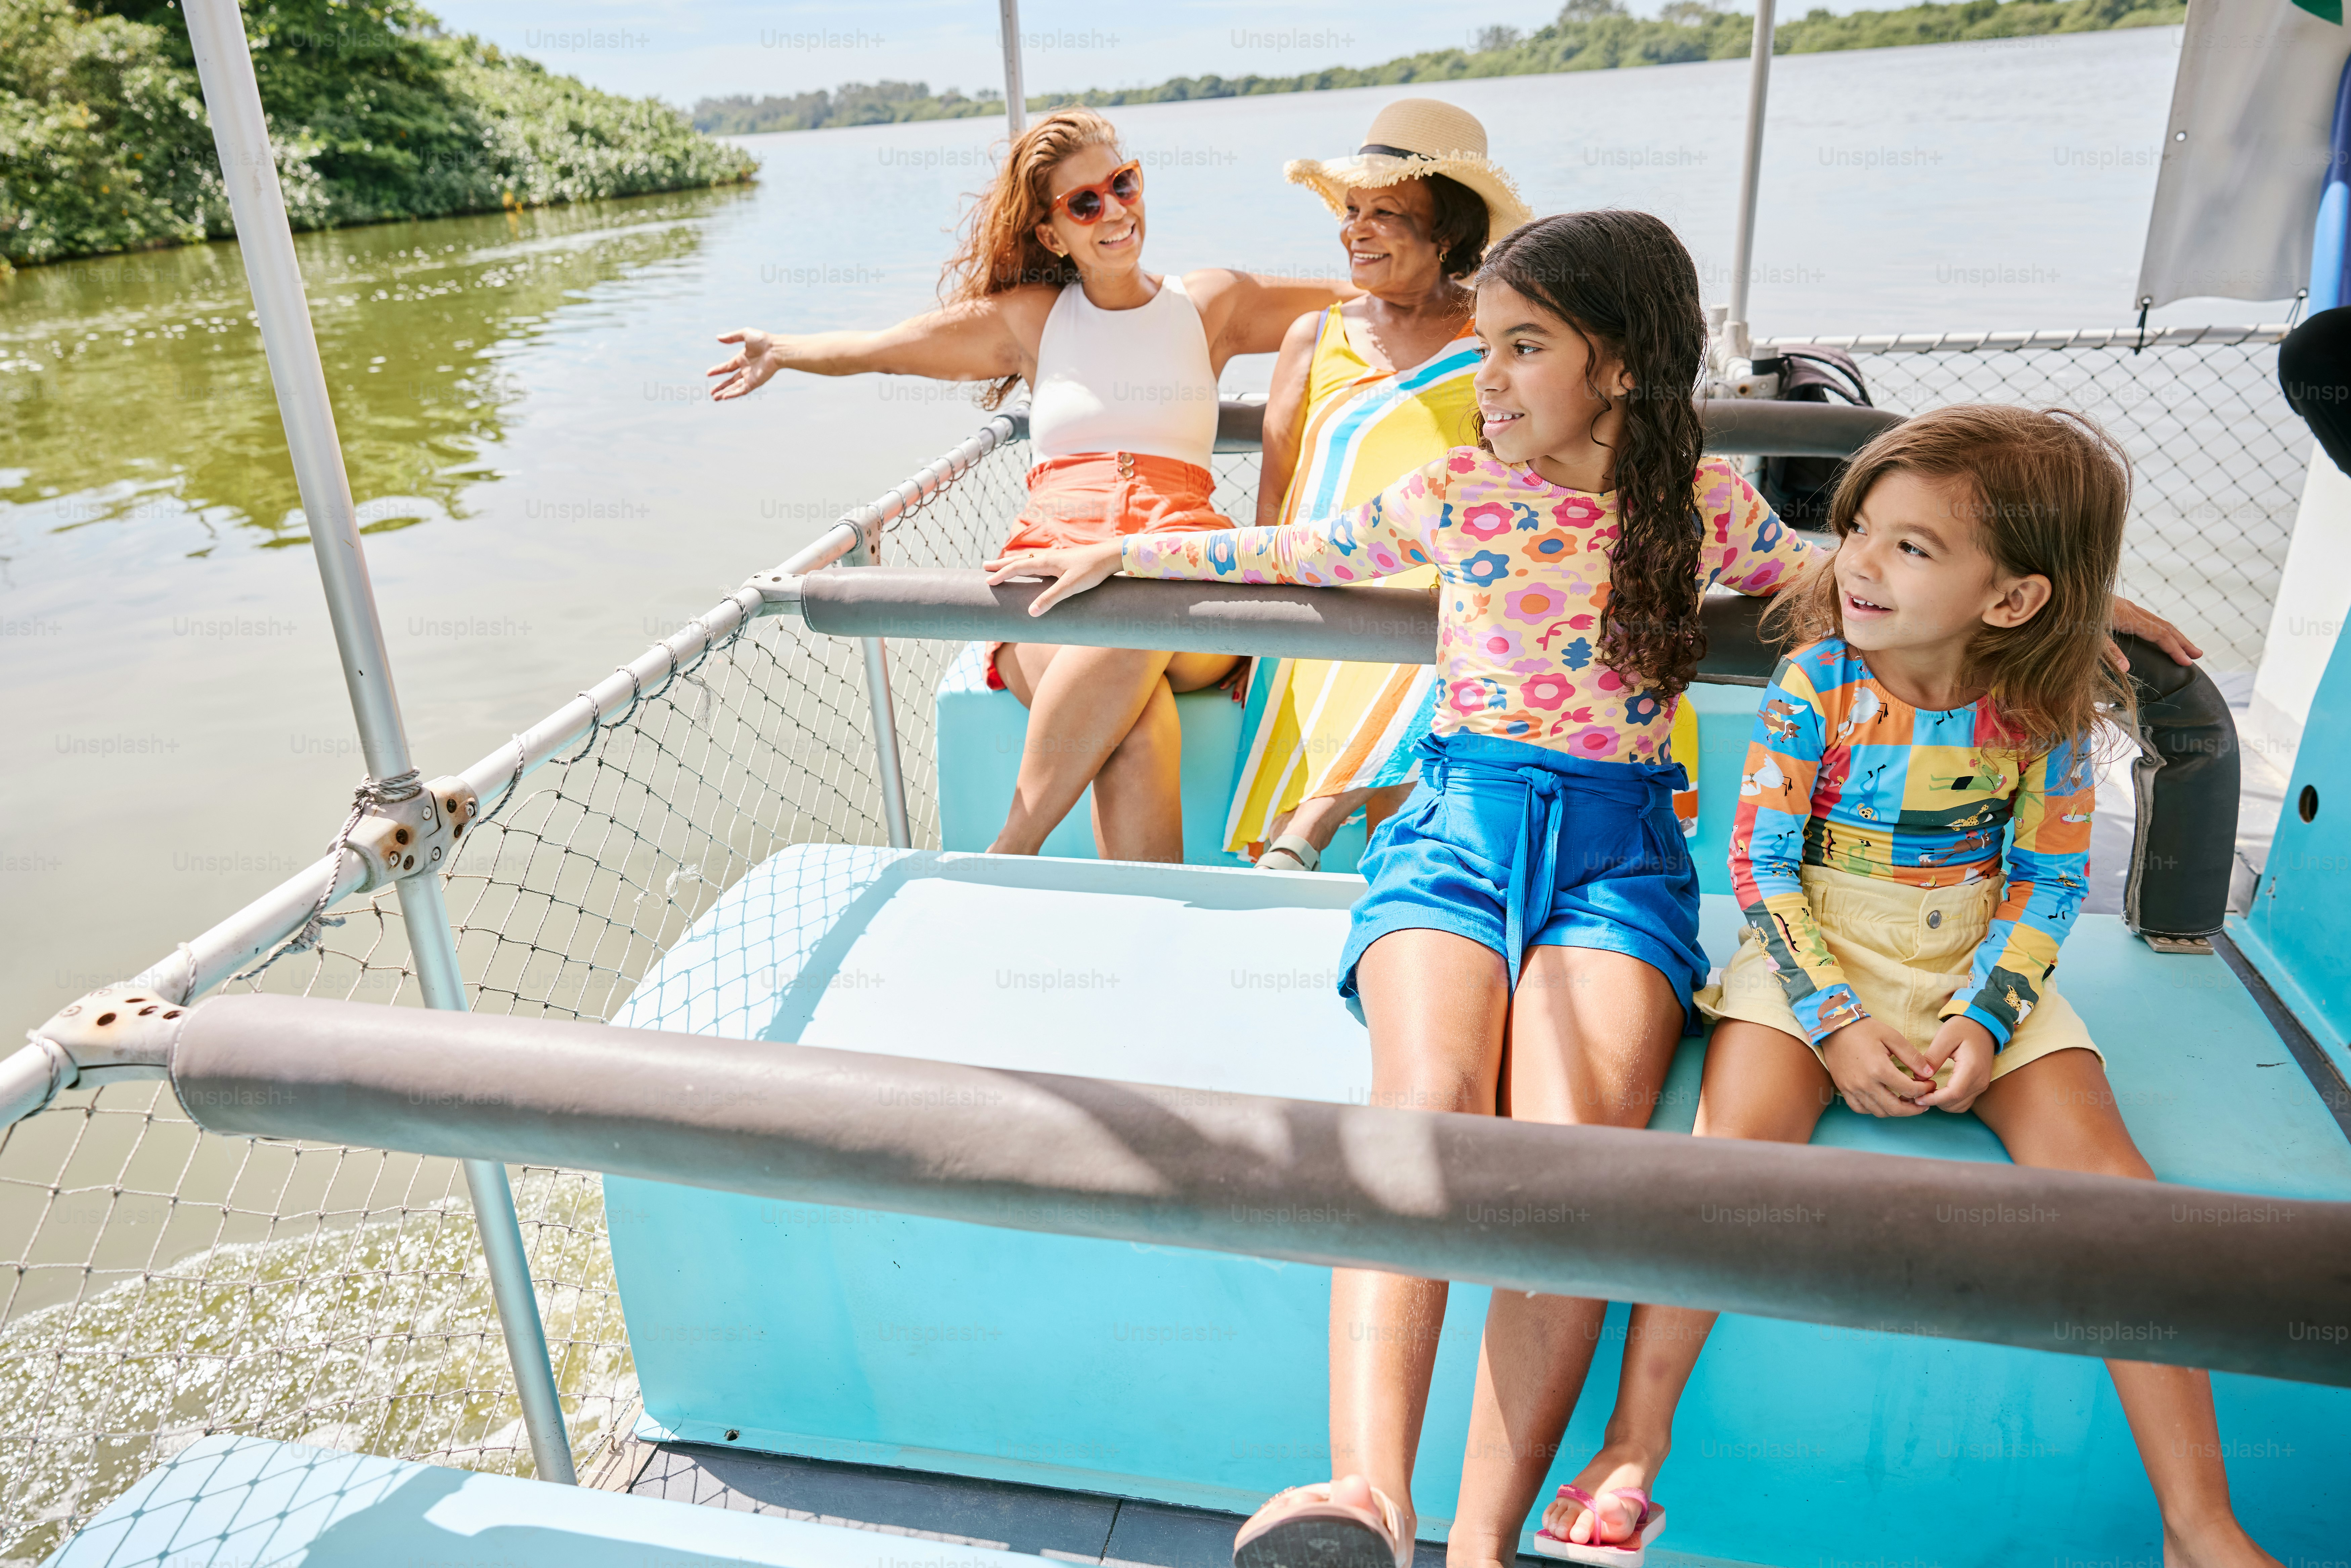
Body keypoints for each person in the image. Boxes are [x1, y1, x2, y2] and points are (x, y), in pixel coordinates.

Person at [989, 209, 1817, 1568]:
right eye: (1484, 344)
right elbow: (1290, 555)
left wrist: (2080, 608)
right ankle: (1367, 1497)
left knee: (1566, 1164)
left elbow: (1853, 585)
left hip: (1618, 857)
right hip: (1455, 832)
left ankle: (1484, 1546)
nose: (1482, 377)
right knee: (1424, 1104)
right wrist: (1133, 552)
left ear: (1617, 366)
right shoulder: (1459, 496)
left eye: (1521, 347)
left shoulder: (1704, 512)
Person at [1533, 406, 2282, 1568]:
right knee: (1727, 1165)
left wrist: (1990, 1019)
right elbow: (1762, 869)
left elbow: (2048, 882)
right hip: (1814, 952)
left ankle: (2200, 1525)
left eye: (1911, 547)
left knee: (2122, 1201)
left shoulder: (2045, 711)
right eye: (1859, 529)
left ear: (2015, 599)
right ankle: (1637, 1444)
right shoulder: (1815, 681)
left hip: (1975, 961)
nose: (1859, 564)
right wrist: (1833, 1025)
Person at [706, 107, 1350, 861]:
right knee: (1138, 722)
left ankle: (1008, 852)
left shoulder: (1207, 303)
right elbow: (883, 350)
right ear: (1052, 234)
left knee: (1134, 614)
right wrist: (782, 350)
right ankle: (1143, 934)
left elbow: (1362, 303)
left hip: (1183, 568)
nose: (1114, 210)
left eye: (1123, 183)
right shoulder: (1031, 320)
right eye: (1085, 203)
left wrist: (1487, 301)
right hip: (1048, 570)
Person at [1227, 99, 1535, 872]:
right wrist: (1245, 632)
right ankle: (1362, 873)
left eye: (1385, 213)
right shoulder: (1314, 336)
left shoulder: (1499, 340)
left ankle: (1310, 841)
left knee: (1442, 613)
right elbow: (1275, 497)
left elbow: (1525, 481)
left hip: (1448, 588)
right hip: (1323, 587)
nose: (1353, 230)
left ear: (1448, 234)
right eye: (1351, 210)